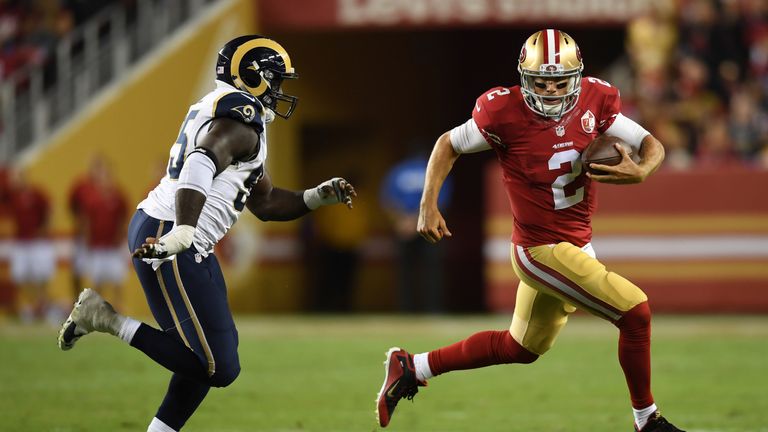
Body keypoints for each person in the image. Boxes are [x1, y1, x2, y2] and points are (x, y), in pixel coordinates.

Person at [375, 29, 685, 432]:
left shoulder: (596, 99)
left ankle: (412, 367)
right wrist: (427, 204)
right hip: (539, 249)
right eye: (541, 82)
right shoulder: (502, 112)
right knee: (635, 312)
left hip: (576, 244)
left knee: (520, 347)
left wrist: (642, 169)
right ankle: (648, 422)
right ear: (524, 79)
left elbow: (651, 144)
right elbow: (447, 144)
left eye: (559, 81)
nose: (551, 90)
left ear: (577, 77)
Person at [57, 35, 356, 432]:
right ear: (251, 76)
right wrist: (182, 231)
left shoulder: (232, 115)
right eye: (276, 79)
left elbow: (265, 202)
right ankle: (105, 319)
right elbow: (201, 159)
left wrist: (317, 197)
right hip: (173, 233)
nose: (280, 89)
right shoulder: (241, 116)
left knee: (210, 353)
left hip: (185, 238)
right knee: (217, 366)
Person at [380, 154, 452, 312]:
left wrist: (404, 221)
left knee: (406, 272)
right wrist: (417, 220)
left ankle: (406, 309)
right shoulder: (435, 169)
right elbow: (443, 200)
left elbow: (387, 200)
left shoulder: (398, 171)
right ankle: (432, 309)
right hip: (429, 227)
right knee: (431, 271)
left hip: (404, 228)